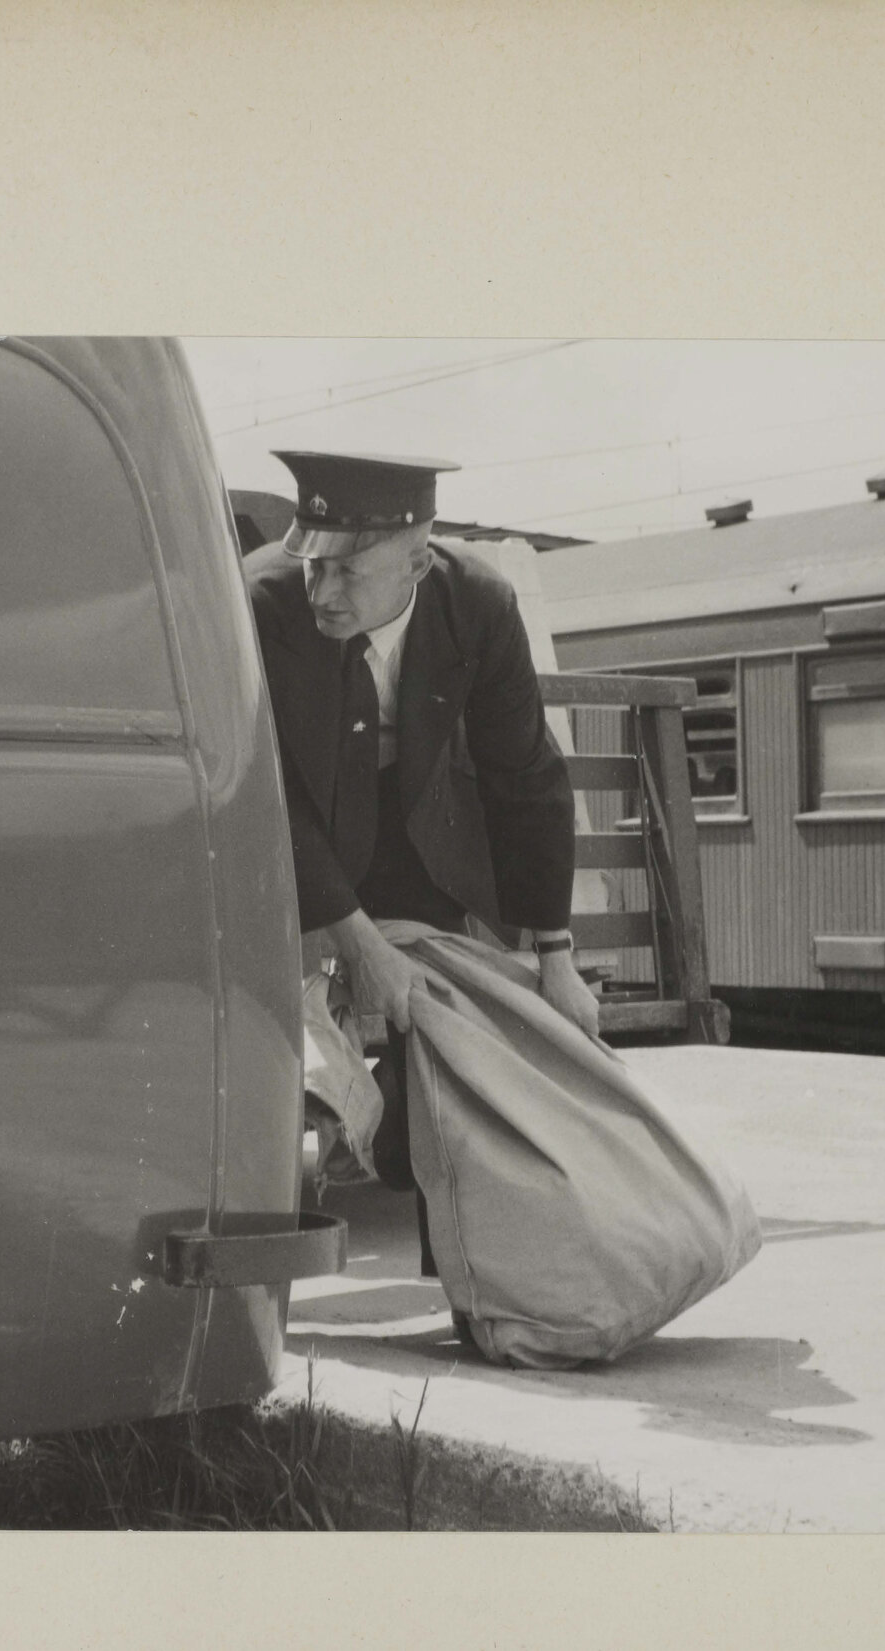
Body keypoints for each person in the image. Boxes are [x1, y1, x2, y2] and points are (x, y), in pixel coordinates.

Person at [246, 450, 600, 1273]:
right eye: (313, 563)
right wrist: (353, 942)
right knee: (286, 1052)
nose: (322, 590)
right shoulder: (262, 601)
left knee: (457, 1037)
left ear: (417, 556)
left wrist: (555, 955)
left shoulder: (478, 603)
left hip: (417, 849)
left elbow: (525, 774)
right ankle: (276, 1265)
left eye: (348, 570)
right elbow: (269, 793)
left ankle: (473, 1271)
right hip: (298, 848)